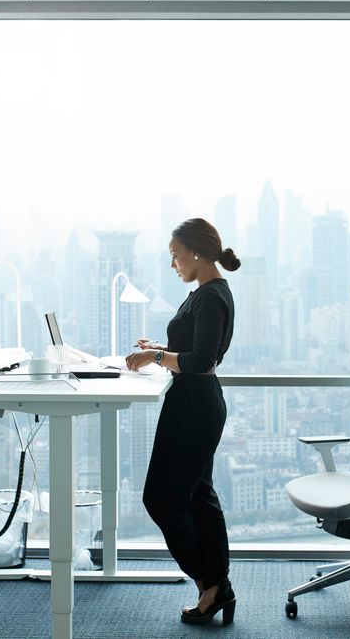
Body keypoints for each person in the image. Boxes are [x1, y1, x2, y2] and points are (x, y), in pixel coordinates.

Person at [125, 217, 240, 626]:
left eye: (175, 255)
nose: (173, 264)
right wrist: (159, 348)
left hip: (195, 406)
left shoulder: (211, 297)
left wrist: (157, 357)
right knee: (199, 497)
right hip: (192, 402)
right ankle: (217, 585)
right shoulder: (205, 293)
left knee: (160, 499)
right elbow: (190, 349)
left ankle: (211, 583)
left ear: (194, 251)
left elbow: (201, 360)